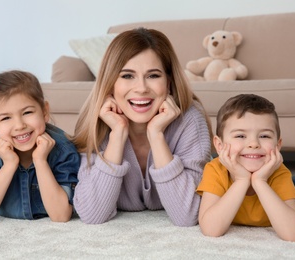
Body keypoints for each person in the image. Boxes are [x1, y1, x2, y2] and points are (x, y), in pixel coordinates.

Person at [72, 28, 212, 226]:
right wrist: (117, 136)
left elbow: (187, 215)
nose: (141, 88)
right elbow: (93, 215)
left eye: (153, 75)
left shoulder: (189, 120)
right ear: (110, 83)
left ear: (169, 83)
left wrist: (157, 135)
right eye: (127, 76)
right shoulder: (96, 123)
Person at [0, 70, 80, 224]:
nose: (19, 125)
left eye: (27, 112)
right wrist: (9, 165)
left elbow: (60, 216)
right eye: (6, 118)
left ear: (44, 112)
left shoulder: (63, 149)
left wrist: (40, 161)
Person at [197, 94, 295, 242]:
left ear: (277, 145)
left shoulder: (278, 172)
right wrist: (241, 180)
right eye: (240, 136)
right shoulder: (215, 169)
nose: (253, 144)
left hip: (277, 184)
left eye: (264, 136)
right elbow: (210, 229)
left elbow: (294, 235)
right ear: (219, 146)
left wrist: (260, 181)